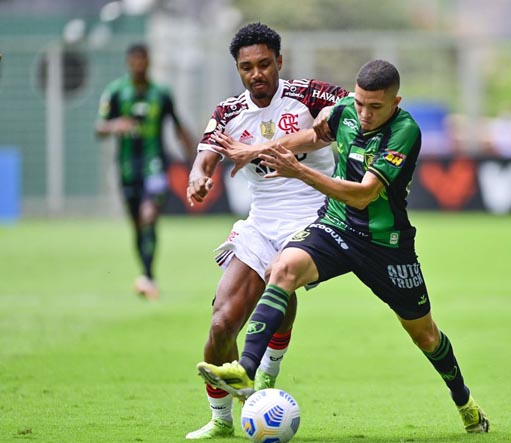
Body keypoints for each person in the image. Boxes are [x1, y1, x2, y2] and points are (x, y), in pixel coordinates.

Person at [199, 60, 490, 434]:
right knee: (281, 269)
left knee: (425, 336)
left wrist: (299, 171)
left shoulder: (404, 132)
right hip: (335, 226)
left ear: (396, 102)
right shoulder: (346, 110)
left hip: (386, 245)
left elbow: (365, 194)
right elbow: (312, 136)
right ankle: (246, 370)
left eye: (375, 107)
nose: (364, 114)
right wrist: (257, 150)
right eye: (360, 103)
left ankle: (463, 400)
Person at [185, 23, 350, 439]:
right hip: (261, 221)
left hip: (314, 214)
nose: (256, 73)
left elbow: (351, 107)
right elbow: (206, 157)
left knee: (280, 277)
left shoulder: (308, 94)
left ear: (279, 61)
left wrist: (328, 118)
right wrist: (198, 178)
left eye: (264, 64)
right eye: (247, 67)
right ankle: (222, 419)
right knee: (221, 325)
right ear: (238, 69)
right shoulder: (228, 112)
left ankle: (266, 374)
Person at [96, 43, 195, 300]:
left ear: (149, 62)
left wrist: (194, 159)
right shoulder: (116, 92)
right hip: (127, 168)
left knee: (149, 216)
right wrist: (116, 125)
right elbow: (99, 128)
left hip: (155, 165)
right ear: (129, 63)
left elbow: (178, 126)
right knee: (137, 225)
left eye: (143, 60)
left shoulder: (161, 93)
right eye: (135, 61)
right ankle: (147, 274)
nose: (139, 65)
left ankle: (148, 278)